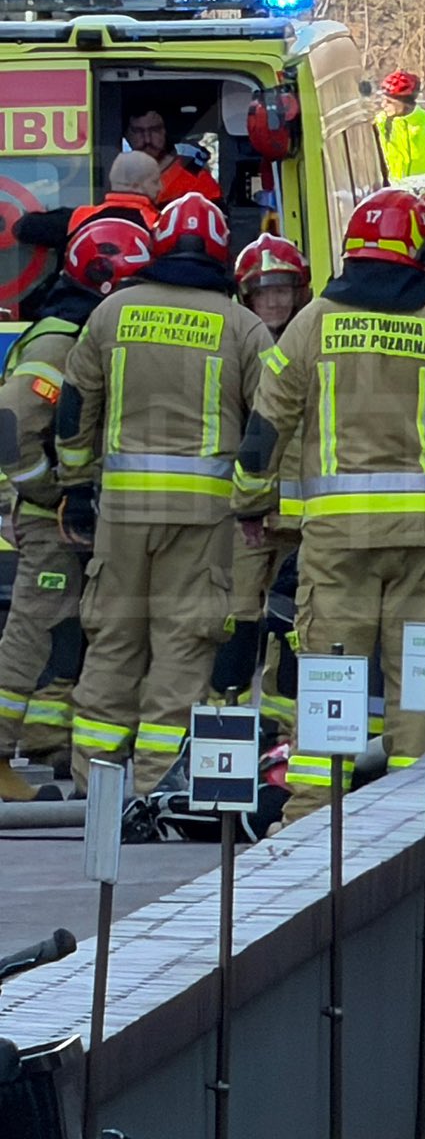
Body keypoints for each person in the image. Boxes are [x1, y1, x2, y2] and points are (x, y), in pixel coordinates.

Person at [233, 188, 425, 822]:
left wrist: (251, 504)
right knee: (420, 684)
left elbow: (266, 426)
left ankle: (311, 819)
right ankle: (416, 818)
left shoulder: (313, 323)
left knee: (330, 682)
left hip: (338, 541)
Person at [57, 195, 267, 822]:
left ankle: (91, 793)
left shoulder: (111, 313)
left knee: (113, 641)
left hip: (122, 515)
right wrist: (257, 503)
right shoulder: (241, 326)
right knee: (183, 646)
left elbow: (75, 407)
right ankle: (155, 793)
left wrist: (76, 486)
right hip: (204, 521)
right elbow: (270, 422)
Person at [0, 218, 152, 800]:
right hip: (54, 519)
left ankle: (51, 743)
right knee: (33, 631)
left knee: (74, 632)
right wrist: (50, 494)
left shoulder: (83, 327)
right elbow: (12, 423)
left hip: (80, 514)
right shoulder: (62, 341)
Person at [213, 236, 313, 737]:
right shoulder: (237, 343)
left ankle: (278, 727)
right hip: (250, 513)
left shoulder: (314, 339)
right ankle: (222, 722)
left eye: (282, 290)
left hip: (304, 517)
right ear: (245, 296)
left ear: (299, 291)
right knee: (236, 617)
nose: (273, 301)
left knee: (292, 622)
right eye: (262, 292)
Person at [16, 150, 163, 252]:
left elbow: (22, 228)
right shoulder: (160, 225)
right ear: (136, 184)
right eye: (155, 181)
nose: (160, 188)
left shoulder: (77, 218)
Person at [125, 106, 221, 205]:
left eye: (155, 130)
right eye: (138, 131)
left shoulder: (196, 178)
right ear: (127, 136)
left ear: (165, 132)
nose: (147, 139)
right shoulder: (118, 177)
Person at [376, 70, 425, 182]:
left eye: (389, 101)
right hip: (393, 190)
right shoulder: (381, 123)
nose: (383, 105)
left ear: (405, 103)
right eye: (383, 100)